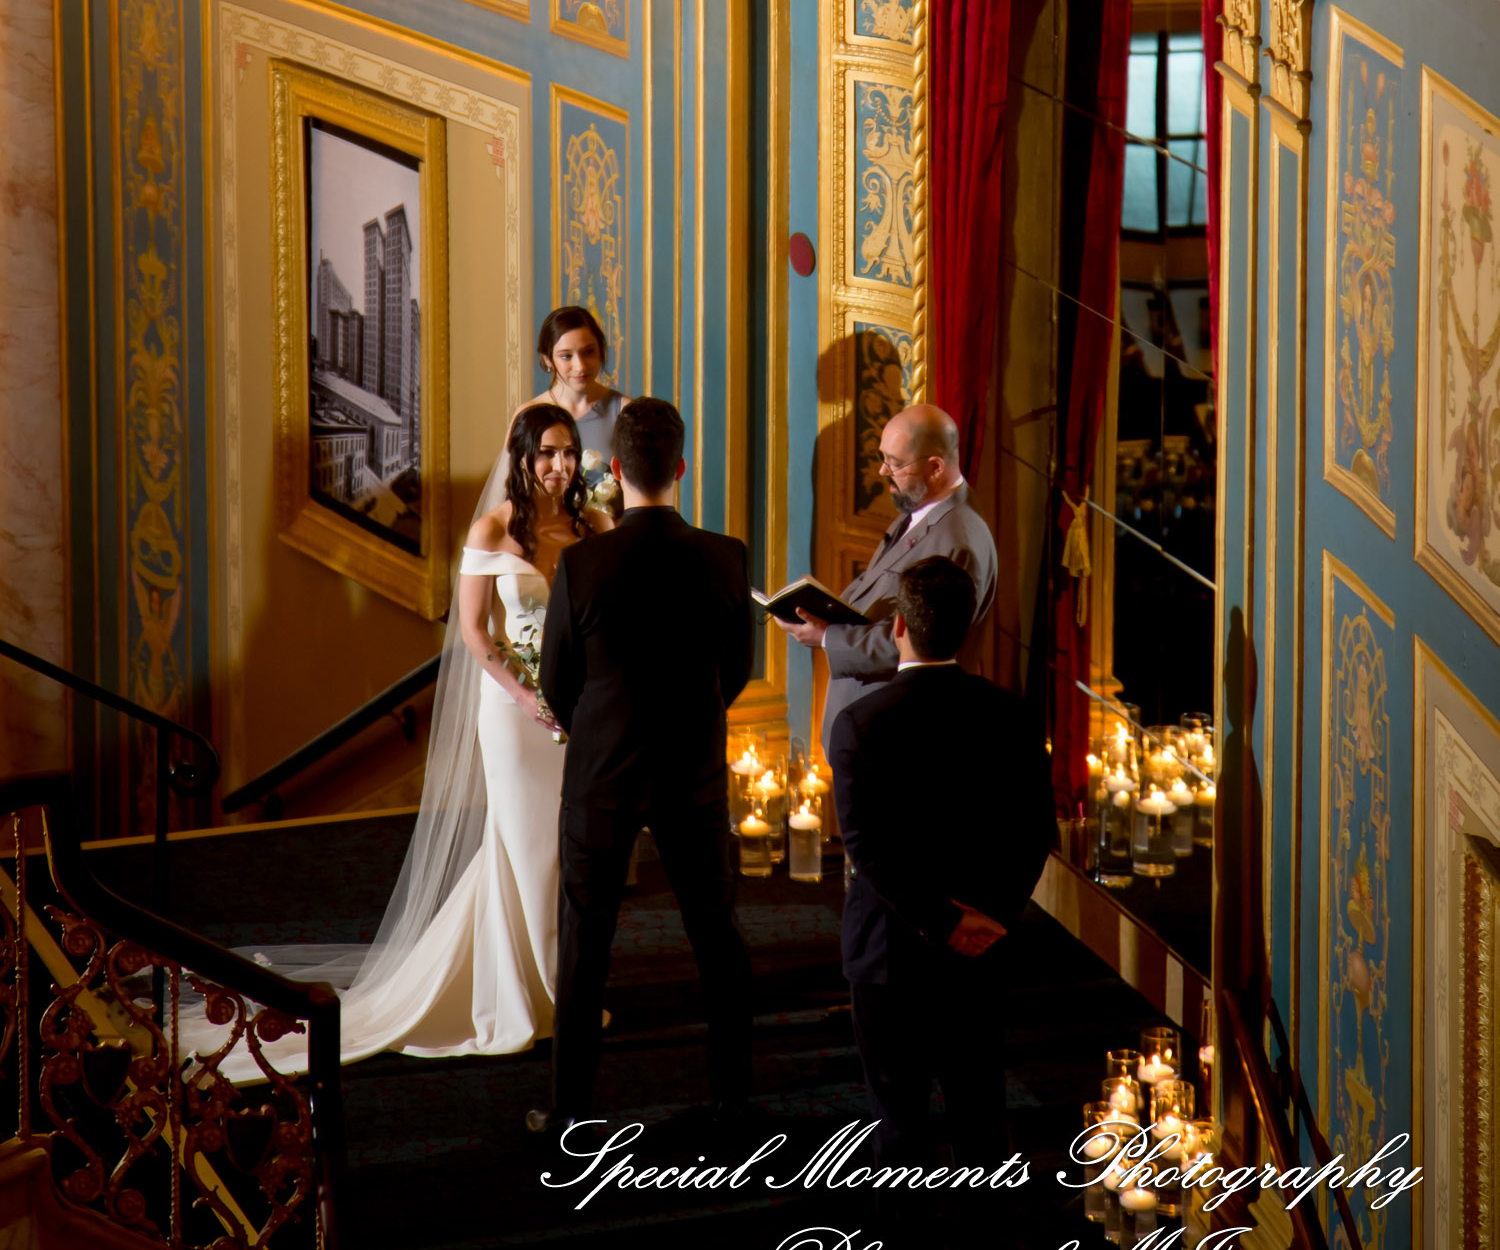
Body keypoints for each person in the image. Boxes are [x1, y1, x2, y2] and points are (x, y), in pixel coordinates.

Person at [185, 406, 612, 1074]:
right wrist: (527, 695)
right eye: (547, 454)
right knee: (528, 847)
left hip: (580, 714)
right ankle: (546, 997)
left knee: (565, 854)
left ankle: (548, 981)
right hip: (513, 713)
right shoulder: (493, 528)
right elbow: (474, 631)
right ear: (523, 460)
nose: (560, 467)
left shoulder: (593, 527)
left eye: (568, 454)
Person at [529, 396, 753, 1132]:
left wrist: (596, 734)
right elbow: (739, 671)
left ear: (616, 469)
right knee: (715, 938)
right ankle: (733, 1096)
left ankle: (571, 1112)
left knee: (586, 944)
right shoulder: (726, 558)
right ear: (681, 467)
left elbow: (557, 680)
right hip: (692, 774)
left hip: (603, 777)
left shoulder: (583, 563)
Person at [829, 557, 1056, 1164]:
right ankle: (990, 1249)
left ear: (899, 628)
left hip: (888, 952)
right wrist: (989, 919)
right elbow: (1036, 832)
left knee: (896, 1124)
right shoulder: (1010, 715)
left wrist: (939, 920)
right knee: (980, 1115)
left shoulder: (860, 723)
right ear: (967, 630)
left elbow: (866, 850)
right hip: (982, 947)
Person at [777, 402, 997, 759]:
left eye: (895, 463)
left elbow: (923, 643)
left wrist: (827, 637)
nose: (882, 471)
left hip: (899, 739)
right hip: (874, 730)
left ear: (935, 467)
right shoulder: (924, 507)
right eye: (883, 457)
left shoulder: (958, 538)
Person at [474, 305, 630, 523]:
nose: (580, 366)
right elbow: (512, 495)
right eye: (566, 356)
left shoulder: (624, 411)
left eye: (588, 352)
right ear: (548, 360)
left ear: (601, 350)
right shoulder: (528, 414)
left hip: (607, 542)